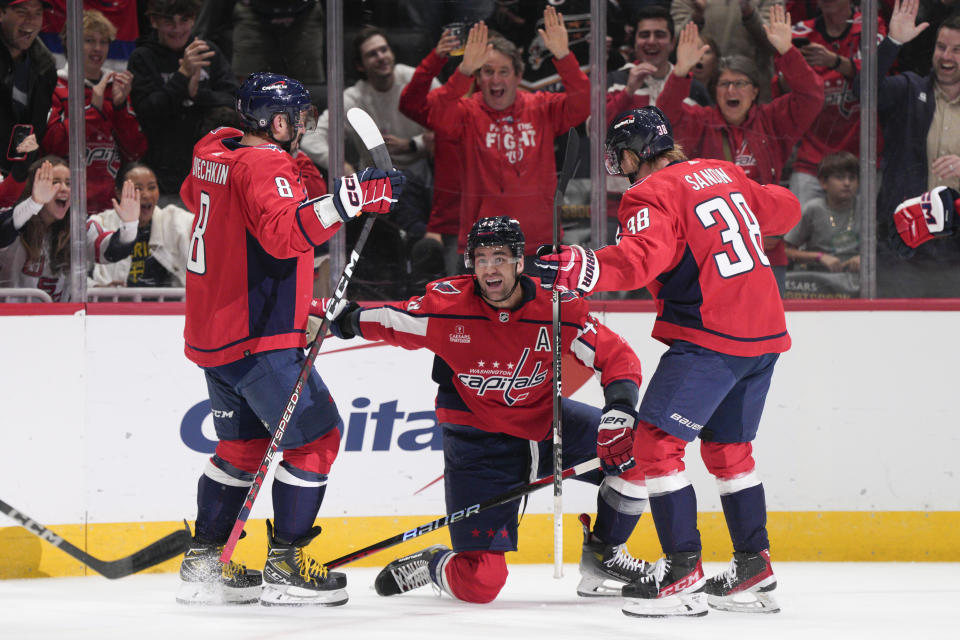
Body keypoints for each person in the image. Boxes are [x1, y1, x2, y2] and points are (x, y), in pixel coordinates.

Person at [536, 107, 800, 617]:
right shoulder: (722, 170)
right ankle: (753, 567)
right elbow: (785, 211)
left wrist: (580, 264)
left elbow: (640, 261)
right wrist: (743, 189)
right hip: (765, 335)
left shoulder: (647, 194)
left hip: (711, 337)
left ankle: (681, 574)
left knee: (654, 446)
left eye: (620, 156)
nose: (619, 166)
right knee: (729, 450)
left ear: (635, 154)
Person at [322, 215, 652, 604]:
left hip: (549, 428)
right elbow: (387, 320)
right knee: (479, 584)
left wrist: (619, 409)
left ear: (518, 261)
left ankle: (604, 555)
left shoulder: (557, 305)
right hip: (479, 447)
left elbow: (616, 354)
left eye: (499, 257)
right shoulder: (446, 307)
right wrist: (327, 316)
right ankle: (434, 564)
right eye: (480, 259)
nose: (489, 268)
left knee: (645, 453)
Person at [175, 71, 404, 607]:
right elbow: (282, 233)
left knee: (242, 446)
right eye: (298, 120)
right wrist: (349, 200)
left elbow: (215, 196)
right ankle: (286, 564)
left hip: (216, 337)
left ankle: (206, 560)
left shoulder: (215, 149)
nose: (303, 127)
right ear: (277, 123)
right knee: (318, 438)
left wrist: (325, 185)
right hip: (261, 335)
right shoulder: (266, 162)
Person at [658, 8, 823, 294]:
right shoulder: (700, 122)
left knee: (770, 334)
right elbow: (663, 119)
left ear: (755, 91)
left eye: (740, 83)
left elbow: (811, 96)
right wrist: (681, 72)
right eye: (724, 84)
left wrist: (787, 52)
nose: (731, 90)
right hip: (712, 256)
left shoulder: (773, 120)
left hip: (767, 254)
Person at [413, 6, 589, 270]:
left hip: (538, 246)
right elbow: (434, 113)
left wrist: (563, 55)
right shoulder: (466, 113)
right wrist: (463, 70)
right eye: (486, 71)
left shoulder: (542, 107)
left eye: (504, 71)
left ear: (518, 76)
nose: (495, 79)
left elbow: (584, 104)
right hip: (484, 247)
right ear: (478, 78)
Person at [300, 27, 438, 298]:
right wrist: (343, 166)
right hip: (381, 191)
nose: (381, 57)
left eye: (384, 50)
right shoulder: (353, 98)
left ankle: (422, 252)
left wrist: (413, 145)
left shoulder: (414, 79)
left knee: (409, 186)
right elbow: (311, 139)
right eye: (372, 54)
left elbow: (452, 121)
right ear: (360, 65)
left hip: (430, 181)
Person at [853, 0, 960, 297]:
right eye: (941, 47)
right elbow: (862, 91)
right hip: (903, 251)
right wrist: (893, 42)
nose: (946, 57)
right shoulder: (910, 90)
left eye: (957, 50)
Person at [127, 0, 239, 201]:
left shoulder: (208, 51)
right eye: (169, 22)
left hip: (210, 174)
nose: (177, 29)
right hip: (163, 176)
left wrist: (197, 94)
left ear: (194, 19)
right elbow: (147, 111)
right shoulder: (142, 57)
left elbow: (235, 101)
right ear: (154, 21)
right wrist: (182, 76)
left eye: (184, 20)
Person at [43, 9, 147, 217]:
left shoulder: (115, 87)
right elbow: (51, 148)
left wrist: (119, 109)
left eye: (104, 41)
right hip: (63, 205)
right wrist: (93, 111)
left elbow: (135, 152)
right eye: (89, 40)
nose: (97, 48)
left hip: (109, 208)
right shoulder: (54, 85)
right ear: (69, 43)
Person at [788, 0, 886, 208]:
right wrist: (796, 69)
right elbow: (781, 87)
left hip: (862, 155)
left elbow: (878, 75)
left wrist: (834, 62)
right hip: (813, 156)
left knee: (864, 235)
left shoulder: (870, 25)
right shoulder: (799, 33)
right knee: (797, 225)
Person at [0, 155, 140, 301]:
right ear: (33, 188)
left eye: (68, 183)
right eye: (54, 182)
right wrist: (34, 203)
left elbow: (110, 252)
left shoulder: (79, 226)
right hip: (13, 321)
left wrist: (129, 226)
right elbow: (4, 231)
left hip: (64, 321)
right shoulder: (15, 219)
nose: (64, 189)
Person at [88, 162, 193, 287]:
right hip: (117, 304)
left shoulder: (176, 220)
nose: (146, 195)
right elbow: (73, 274)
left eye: (152, 187)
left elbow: (208, 230)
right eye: (137, 189)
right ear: (119, 193)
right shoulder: (101, 223)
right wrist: (96, 288)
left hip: (167, 304)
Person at [0, 0, 57, 208]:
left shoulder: (45, 67)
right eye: (22, 12)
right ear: (1, 13)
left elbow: (36, 128)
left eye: (37, 13)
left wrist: (19, 174)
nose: (30, 21)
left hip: (17, 179)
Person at [672, 0, 780, 103]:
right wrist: (696, 16)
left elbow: (774, 44)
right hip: (697, 98)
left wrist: (749, 13)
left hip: (755, 96)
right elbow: (673, 45)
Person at [785, 151, 860, 274]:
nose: (847, 183)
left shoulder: (866, 207)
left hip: (857, 279)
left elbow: (882, 250)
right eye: (840, 177)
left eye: (852, 178)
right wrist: (819, 257)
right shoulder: (813, 208)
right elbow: (785, 250)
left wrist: (867, 260)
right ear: (823, 183)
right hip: (818, 279)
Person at [606, 5, 676, 123]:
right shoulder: (613, 80)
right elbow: (595, 130)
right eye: (644, 35)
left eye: (659, 35)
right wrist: (628, 92)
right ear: (634, 42)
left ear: (672, 42)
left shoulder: (689, 84)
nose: (651, 41)